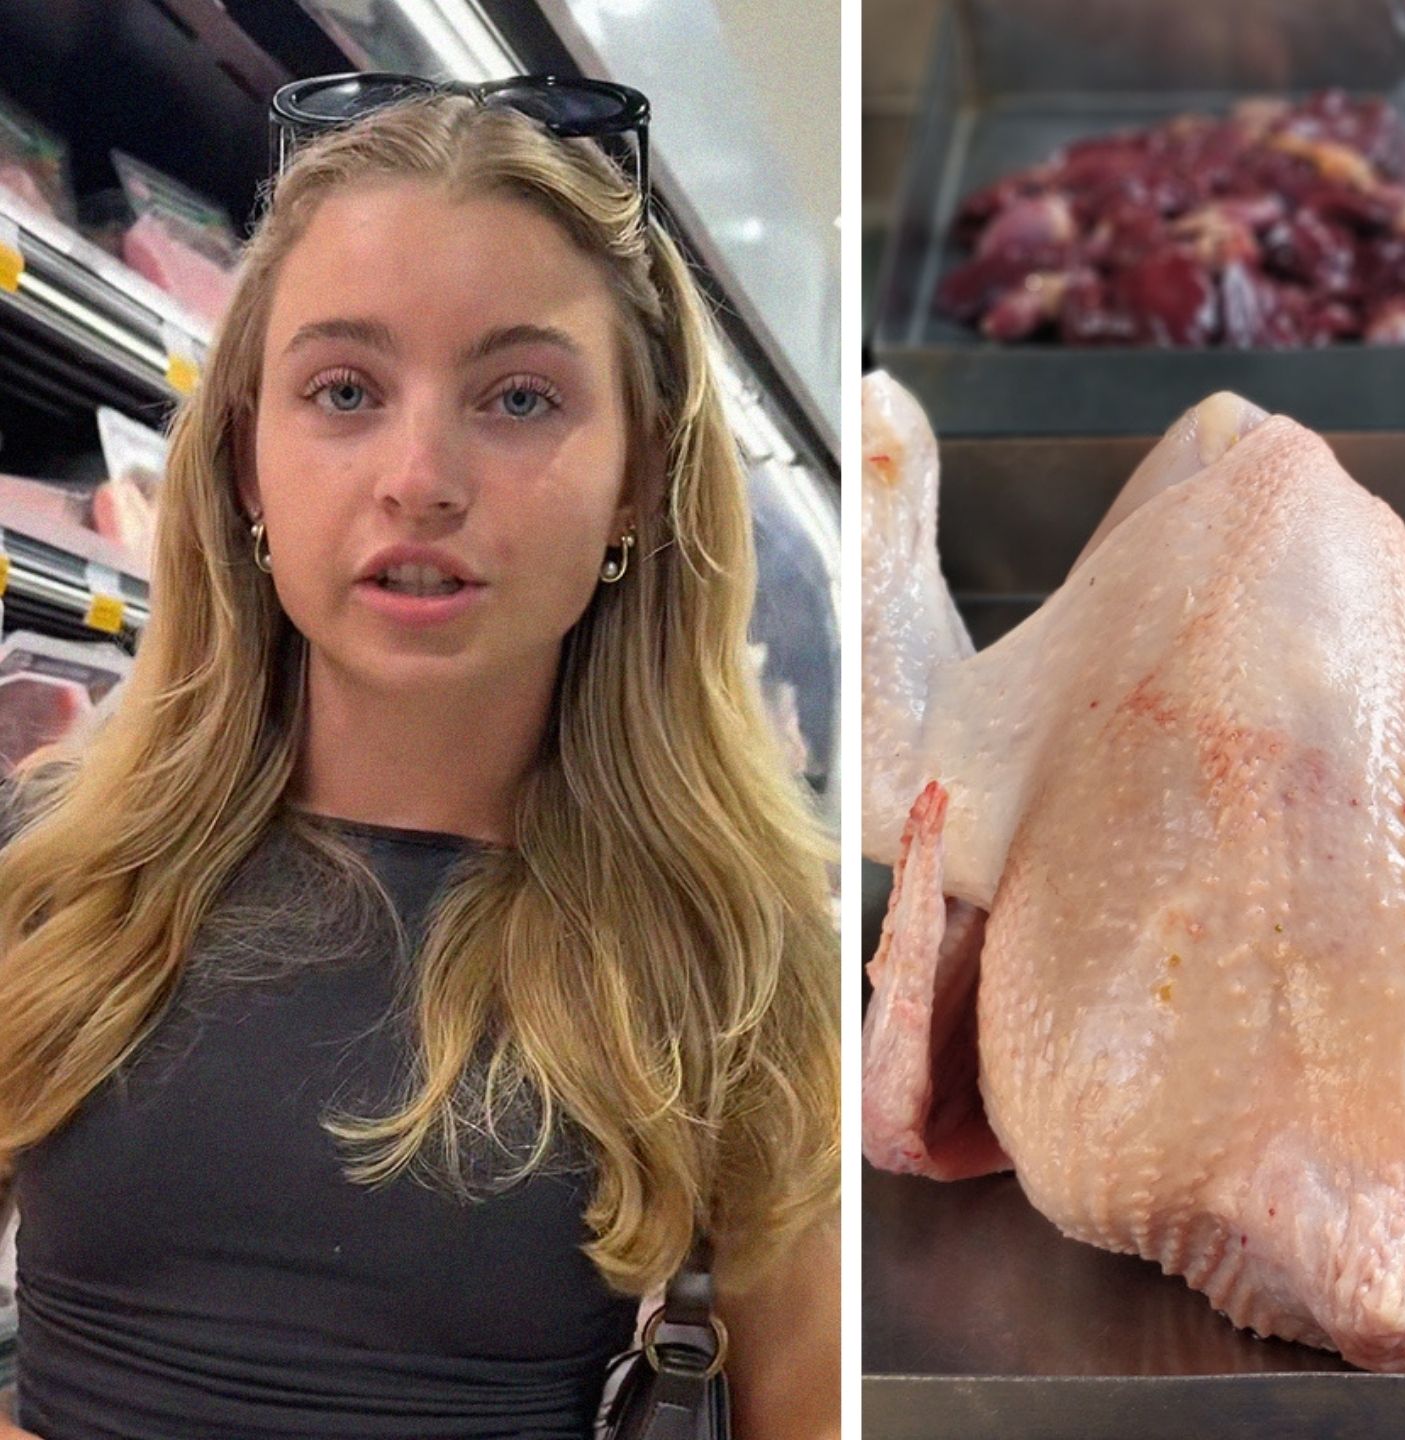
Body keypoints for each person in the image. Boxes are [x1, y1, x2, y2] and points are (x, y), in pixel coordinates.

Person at [0, 86, 839, 1439]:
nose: (420, 474)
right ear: (247, 461)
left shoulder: (726, 965)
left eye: (518, 396)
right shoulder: (59, 873)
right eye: (344, 389)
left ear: (638, 476)